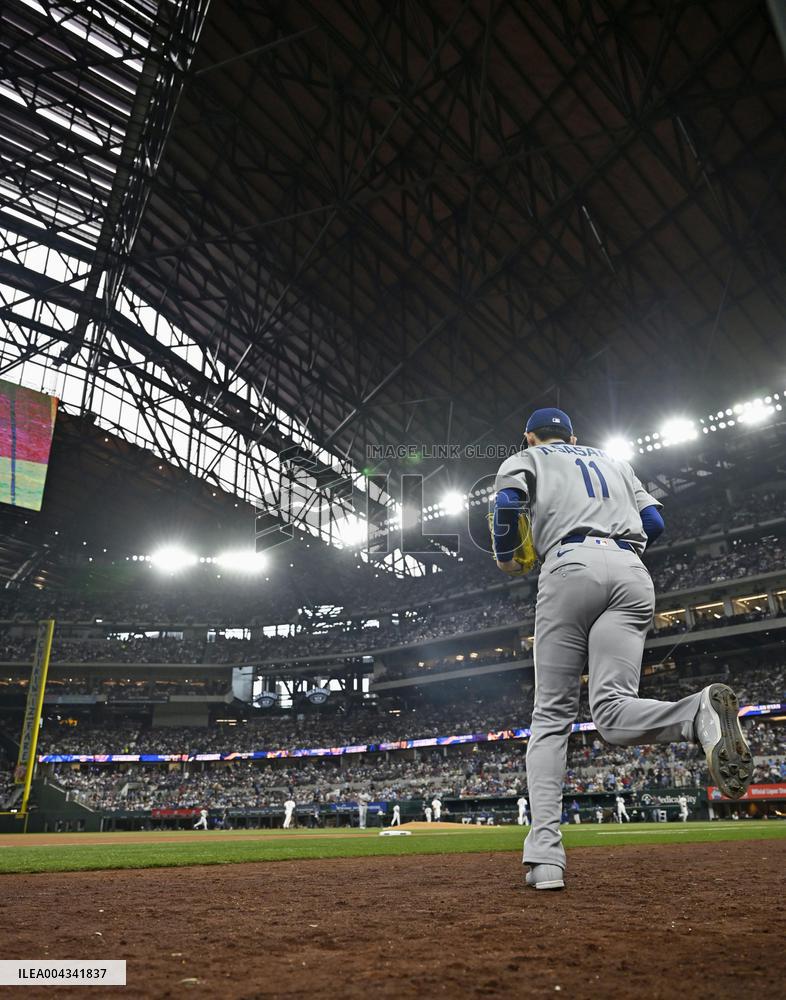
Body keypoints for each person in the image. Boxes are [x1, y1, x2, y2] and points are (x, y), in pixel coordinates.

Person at [492, 406, 753, 891]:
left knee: (551, 717)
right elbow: (654, 521)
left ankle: (547, 858)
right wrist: (616, 548)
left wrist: (508, 556)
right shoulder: (613, 461)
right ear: (575, 435)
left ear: (530, 436)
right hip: (632, 571)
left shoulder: (526, 458)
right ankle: (696, 712)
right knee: (612, 715)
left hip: (569, 564)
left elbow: (507, 505)